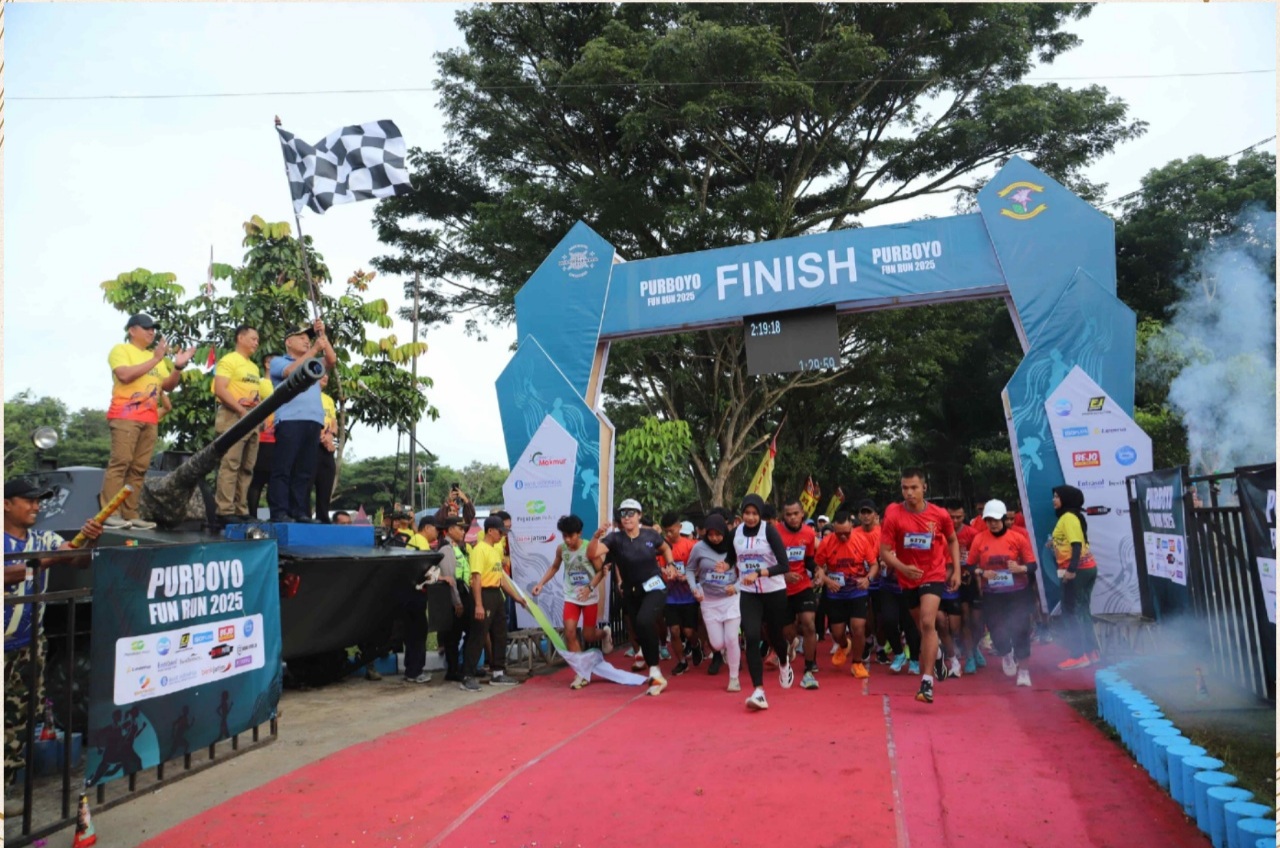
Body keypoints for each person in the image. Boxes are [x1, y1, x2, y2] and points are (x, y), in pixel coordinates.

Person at [4, 480, 103, 805]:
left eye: (39, 501)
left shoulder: (42, 538)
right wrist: (49, 560)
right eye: (28, 500)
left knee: (17, 722)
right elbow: (8, 574)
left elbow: (77, 560)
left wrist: (90, 539)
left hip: (28, 646)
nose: (36, 506)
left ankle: (4, 791)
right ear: (6, 503)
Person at [101, 313, 195, 529]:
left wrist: (178, 367)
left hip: (150, 418)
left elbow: (167, 386)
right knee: (121, 463)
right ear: (132, 330)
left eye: (153, 329)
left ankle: (130, 514)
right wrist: (155, 359)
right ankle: (109, 513)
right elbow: (124, 375)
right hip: (125, 415)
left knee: (139, 468)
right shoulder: (121, 350)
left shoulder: (157, 358)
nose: (151, 332)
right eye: (146, 328)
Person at [879, 468, 961, 705]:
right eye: (905, 488)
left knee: (927, 622)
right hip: (907, 578)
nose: (909, 492)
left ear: (924, 488)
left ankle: (926, 682)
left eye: (914, 487)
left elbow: (952, 539)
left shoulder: (939, 514)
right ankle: (937, 654)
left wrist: (956, 570)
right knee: (922, 627)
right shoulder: (893, 515)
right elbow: (884, 552)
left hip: (933, 574)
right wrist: (902, 568)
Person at [587, 499, 676, 696]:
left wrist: (670, 564)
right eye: (623, 513)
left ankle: (655, 673)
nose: (626, 517)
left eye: (630, 513)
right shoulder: (615, 539)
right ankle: (652, 666)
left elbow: (665, 548)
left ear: (639, 516)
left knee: (644, 621)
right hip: (631, 591)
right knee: (638, 628)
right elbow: (592, 554)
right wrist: (596, 537)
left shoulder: (650, 535)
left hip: (654, 586)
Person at [267, 319, 337, 523]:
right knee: (283, 468)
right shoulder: (279, 361)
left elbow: (331, 360)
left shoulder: (314, 363)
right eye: (301, 338)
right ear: (288, 342)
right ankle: (279, 512)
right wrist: (315, 348)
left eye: (308, 338)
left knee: (304, 470)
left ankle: (299, 511)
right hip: (290, 419)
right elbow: (291, 372)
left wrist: (323, 336)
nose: (307, 341)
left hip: (313, 421)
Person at [733, 493, 794, 711]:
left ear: (760, 514)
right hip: (749, 593)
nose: (750, 517)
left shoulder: (769, 531)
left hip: (773, 591)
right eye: (746, 513)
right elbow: (730, 556)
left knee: (774, 635)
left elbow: (784, 566)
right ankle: (758, 691)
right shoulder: (736, 533)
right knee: (751, 636)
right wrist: (725, 565)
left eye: (754, 513)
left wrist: (759, 572)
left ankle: (784, 661)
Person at [967, 499, 1037, 686]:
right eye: (989, 520)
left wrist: (1020, 568)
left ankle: (1024, 671)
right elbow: (970, 565)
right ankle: (1006, 653)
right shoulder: (979, 539)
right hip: (992, 594)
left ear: (1004, 519)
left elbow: (1032, 565)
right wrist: (981, 572)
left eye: (997, 520)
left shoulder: (1018, 538)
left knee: (1021, 629)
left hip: (1017, 592)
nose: (993, 524)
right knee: (997, 631)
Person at [532, 515, 606, 689]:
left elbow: (601, 571)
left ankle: (605, 634)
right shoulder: (561, 549)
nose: (567, 540)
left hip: (589, 597)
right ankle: (581, 672)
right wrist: (541, 584)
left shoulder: (589, 548)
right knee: (570, 632)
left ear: (579, 533)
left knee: (588, 635)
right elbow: (554, 567)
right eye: (564, 535)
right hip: (571, 596)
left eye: (570, 536)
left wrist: (589, 588)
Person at [460, 517, 528, 691]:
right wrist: (478, 604)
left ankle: (498, 672)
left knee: (500, 634)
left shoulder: (494, 551)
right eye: (500, 532)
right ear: (490, 531)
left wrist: (517, 597)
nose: (502, 536)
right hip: (483, 593)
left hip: (496, 594)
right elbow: (476, 578)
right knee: (479, 635)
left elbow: (501, 579)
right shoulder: (479, 550)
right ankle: (467, 676)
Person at [815, 511, 880, 681]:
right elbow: (818, 567)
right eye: (839, 533)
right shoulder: (826, 542)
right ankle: (844, 645)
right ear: (834, 528)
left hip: (857, 591)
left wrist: (868, 579)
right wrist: (827, 580)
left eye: (846, 533)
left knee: (858, 627)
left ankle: (857, 663)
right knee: (837, 633)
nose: (843, 536)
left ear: (852, 526)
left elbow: (874, 565)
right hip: (836, 593)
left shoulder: (861, 540)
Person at [211, 325, 263, 525]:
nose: (256, 343)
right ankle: (224, 510)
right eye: (253, 338)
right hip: (233, 415)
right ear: (240, 338)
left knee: (247, 466)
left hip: (252, 417)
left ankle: (241, 509)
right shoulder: (229, 360)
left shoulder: (253, 367)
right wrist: (241, 411)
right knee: (230, 463)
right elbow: (220, 389)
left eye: (257, 339)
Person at [686, 514, 743, 692]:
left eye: (718, 534)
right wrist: (694, 587)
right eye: (710, 534)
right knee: (717, 644)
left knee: (732, 638)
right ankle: (724, 651)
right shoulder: (698, 548)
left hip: (731, 599)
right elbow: (690, 569)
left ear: (725, 532)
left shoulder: (734, 546)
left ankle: (734, 678)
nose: (715, 538)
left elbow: (746, 570)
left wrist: (737, 587)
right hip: (709, 601)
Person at [1051, 485, 1100, 670]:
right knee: (1082, 610)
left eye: (1057, 496)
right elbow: (1072, 541)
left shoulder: (1068, 517)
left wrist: (1071, 570)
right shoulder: (1072, 516)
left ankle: (1078, 655)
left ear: (1066, 499)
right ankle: (1091, 652)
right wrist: (1054, 543)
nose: (1053, 500)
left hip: (1077, 571)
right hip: (1086, 569)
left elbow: (1077, 545)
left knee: (1071, 612)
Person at [776, 500, 820, 690]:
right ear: (783, 516)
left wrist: (817, 570)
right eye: (788, 514)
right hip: (780, 588)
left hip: (803, 586)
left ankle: (809, 669)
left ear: (802, 514)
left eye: (796, 513)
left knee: (809, 624)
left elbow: (809, 560)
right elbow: (768, 561)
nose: (792, 518)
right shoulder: (775, 533)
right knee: (788, 632)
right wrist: (784, 574)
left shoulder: (809, 533)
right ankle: (792, 645)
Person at [660, 512, 701, 675]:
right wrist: (666, 574)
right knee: (675, 631)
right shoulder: (662, 547)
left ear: (679, 527)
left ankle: (696, 645)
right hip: (671, 597)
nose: (669, 534)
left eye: (672, 530)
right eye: (666, 531)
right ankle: (682, 662)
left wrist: (688, 577)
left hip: (689, 596)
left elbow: (699, 567)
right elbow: (660, 568)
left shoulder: (691, 546)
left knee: (689, 631)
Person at [246, 353, 277, 519]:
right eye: (274, 361)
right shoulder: (259, 383)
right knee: (257, 478)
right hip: (262, 437)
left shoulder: (284, 384)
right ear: (267, 364)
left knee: (275, 480)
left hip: (279, 438)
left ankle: (275, 516)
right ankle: (252, 514)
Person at [313, 374, 339, 522]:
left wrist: (331, 435)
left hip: (327, 447)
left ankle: (323, 517)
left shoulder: (328, 400)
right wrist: (322, 438)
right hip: (312, 445)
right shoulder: (307, 396)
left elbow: (334, 423)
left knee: (326, 482)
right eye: (321, 374)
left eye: (327, 375)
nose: (325, 377)